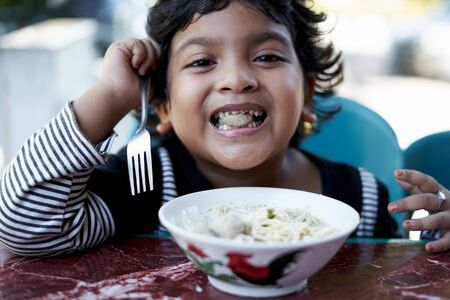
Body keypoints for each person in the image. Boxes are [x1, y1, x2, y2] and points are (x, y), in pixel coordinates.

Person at [0, 0, 444, 256]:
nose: (237, 78)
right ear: (164, 105)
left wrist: (438, 234)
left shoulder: (361, 199)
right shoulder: (144, 188)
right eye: (201, 62)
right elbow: (25, 227)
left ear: (307, 96)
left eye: (267, 57)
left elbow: (402, 271)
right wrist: (114, 94)